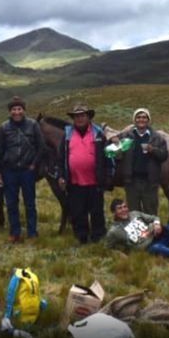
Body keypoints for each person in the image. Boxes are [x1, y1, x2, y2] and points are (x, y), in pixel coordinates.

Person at [0, 96, 44, 243]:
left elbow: (41, 147)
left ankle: (32, 232)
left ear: (24, 110)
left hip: (27, 171)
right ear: (10, 112)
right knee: (11, 203)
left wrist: (34, 164)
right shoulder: (4, 128)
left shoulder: (33, 125)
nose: (17, 112)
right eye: (13, 109)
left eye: (19, 109)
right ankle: (14, 232)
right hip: (9, 171)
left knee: (30, 203)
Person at [54, 104, 108, 243]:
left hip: (95, 180)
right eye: (76, 116)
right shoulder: (67, 134)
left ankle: (98, 235)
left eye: (82, 115)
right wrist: (60, 175)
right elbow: (60, 157)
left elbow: (108, 155)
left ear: (88, 117)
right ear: (73, 118)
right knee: (78, 211)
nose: (80, 118)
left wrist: (108, 175)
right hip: (74, 181)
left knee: (96, 210)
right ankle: (81, 236)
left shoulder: (99, 133)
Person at [104, 198, 169, 261]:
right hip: (150, 247)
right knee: (157, 248)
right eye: (119, 208)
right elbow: (107, 248)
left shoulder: (134, 214)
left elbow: (154, 217)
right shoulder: (114, 231)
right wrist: (119, 253)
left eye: (125, 206)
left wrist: (157, 224)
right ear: (114, 212)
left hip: (161, 234)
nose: (124, 210)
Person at [118, 107, 167, 215]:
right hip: (131, 182)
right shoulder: (126, 136)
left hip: (150, 182)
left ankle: (151, 232)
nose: (141, 119)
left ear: (148, 120)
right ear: (134, 120)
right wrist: (115, 143)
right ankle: (138, 232)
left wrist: (152, 150)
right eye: (138, 117)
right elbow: (112, 152)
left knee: (151, 213)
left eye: (144, 117)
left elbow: (164, 156)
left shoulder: (157, 138)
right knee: (133, 214)